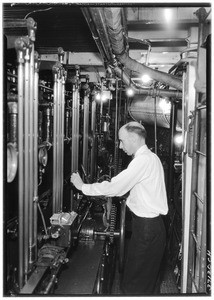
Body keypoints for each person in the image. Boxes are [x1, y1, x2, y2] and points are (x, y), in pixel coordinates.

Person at [71, 121, 168, 295]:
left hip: (147, 229)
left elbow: (114, 187)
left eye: (122, 141)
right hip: (150, 228)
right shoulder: (151, 158)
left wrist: (81, 186)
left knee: (134, 286)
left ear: (133, 138)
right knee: (143, 283)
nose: (121, 146)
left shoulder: (143, 161)